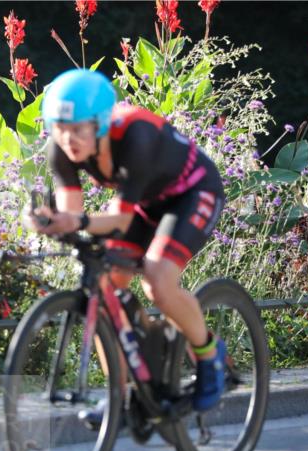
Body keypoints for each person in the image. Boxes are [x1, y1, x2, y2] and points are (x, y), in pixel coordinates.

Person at [24, 68, 227, 418]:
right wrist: (46, 222)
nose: (67, 139)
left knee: (158, 282)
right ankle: (124, 395)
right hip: (145, 204)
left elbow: (118, 220)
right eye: (58, 128)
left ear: (100, 124)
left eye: (77, 129)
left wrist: (77, 221)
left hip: (192, 192)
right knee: (103, 288)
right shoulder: (60, 149)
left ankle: (210, 356)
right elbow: (73, 216)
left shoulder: (136, 136)